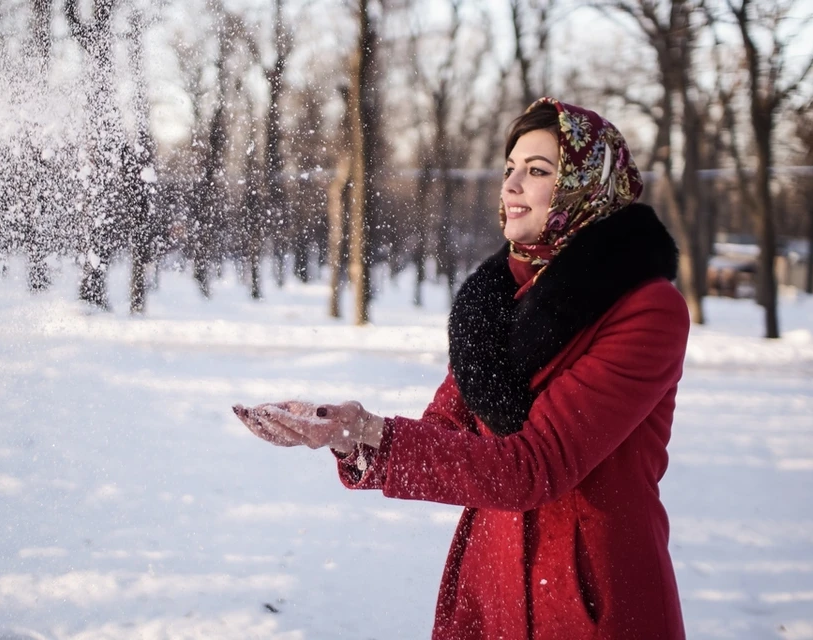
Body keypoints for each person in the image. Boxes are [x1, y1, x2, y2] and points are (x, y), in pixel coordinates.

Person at [233, 97, 689, 640]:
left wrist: (373, 432)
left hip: (590, 597)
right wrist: (345, 433)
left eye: (539, 171)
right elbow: (444, 434)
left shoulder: (646, 309)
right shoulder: (494, 303)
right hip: (489, 584)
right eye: (510, 169)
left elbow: (533, 466)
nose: (513, 185)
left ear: (586, 187)